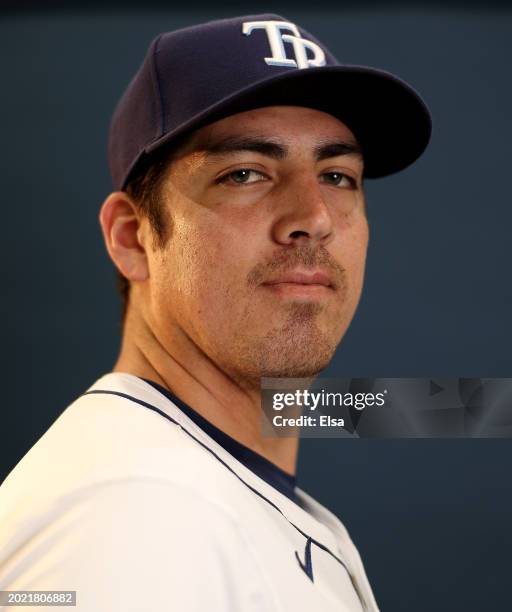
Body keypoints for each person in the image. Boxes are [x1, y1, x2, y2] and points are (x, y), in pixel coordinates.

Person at [0, 13, 430, 611]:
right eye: (245, 173)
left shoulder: (195, 482)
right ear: (133, 236)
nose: (315, 215)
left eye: (337, 175)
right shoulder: (131, 514)